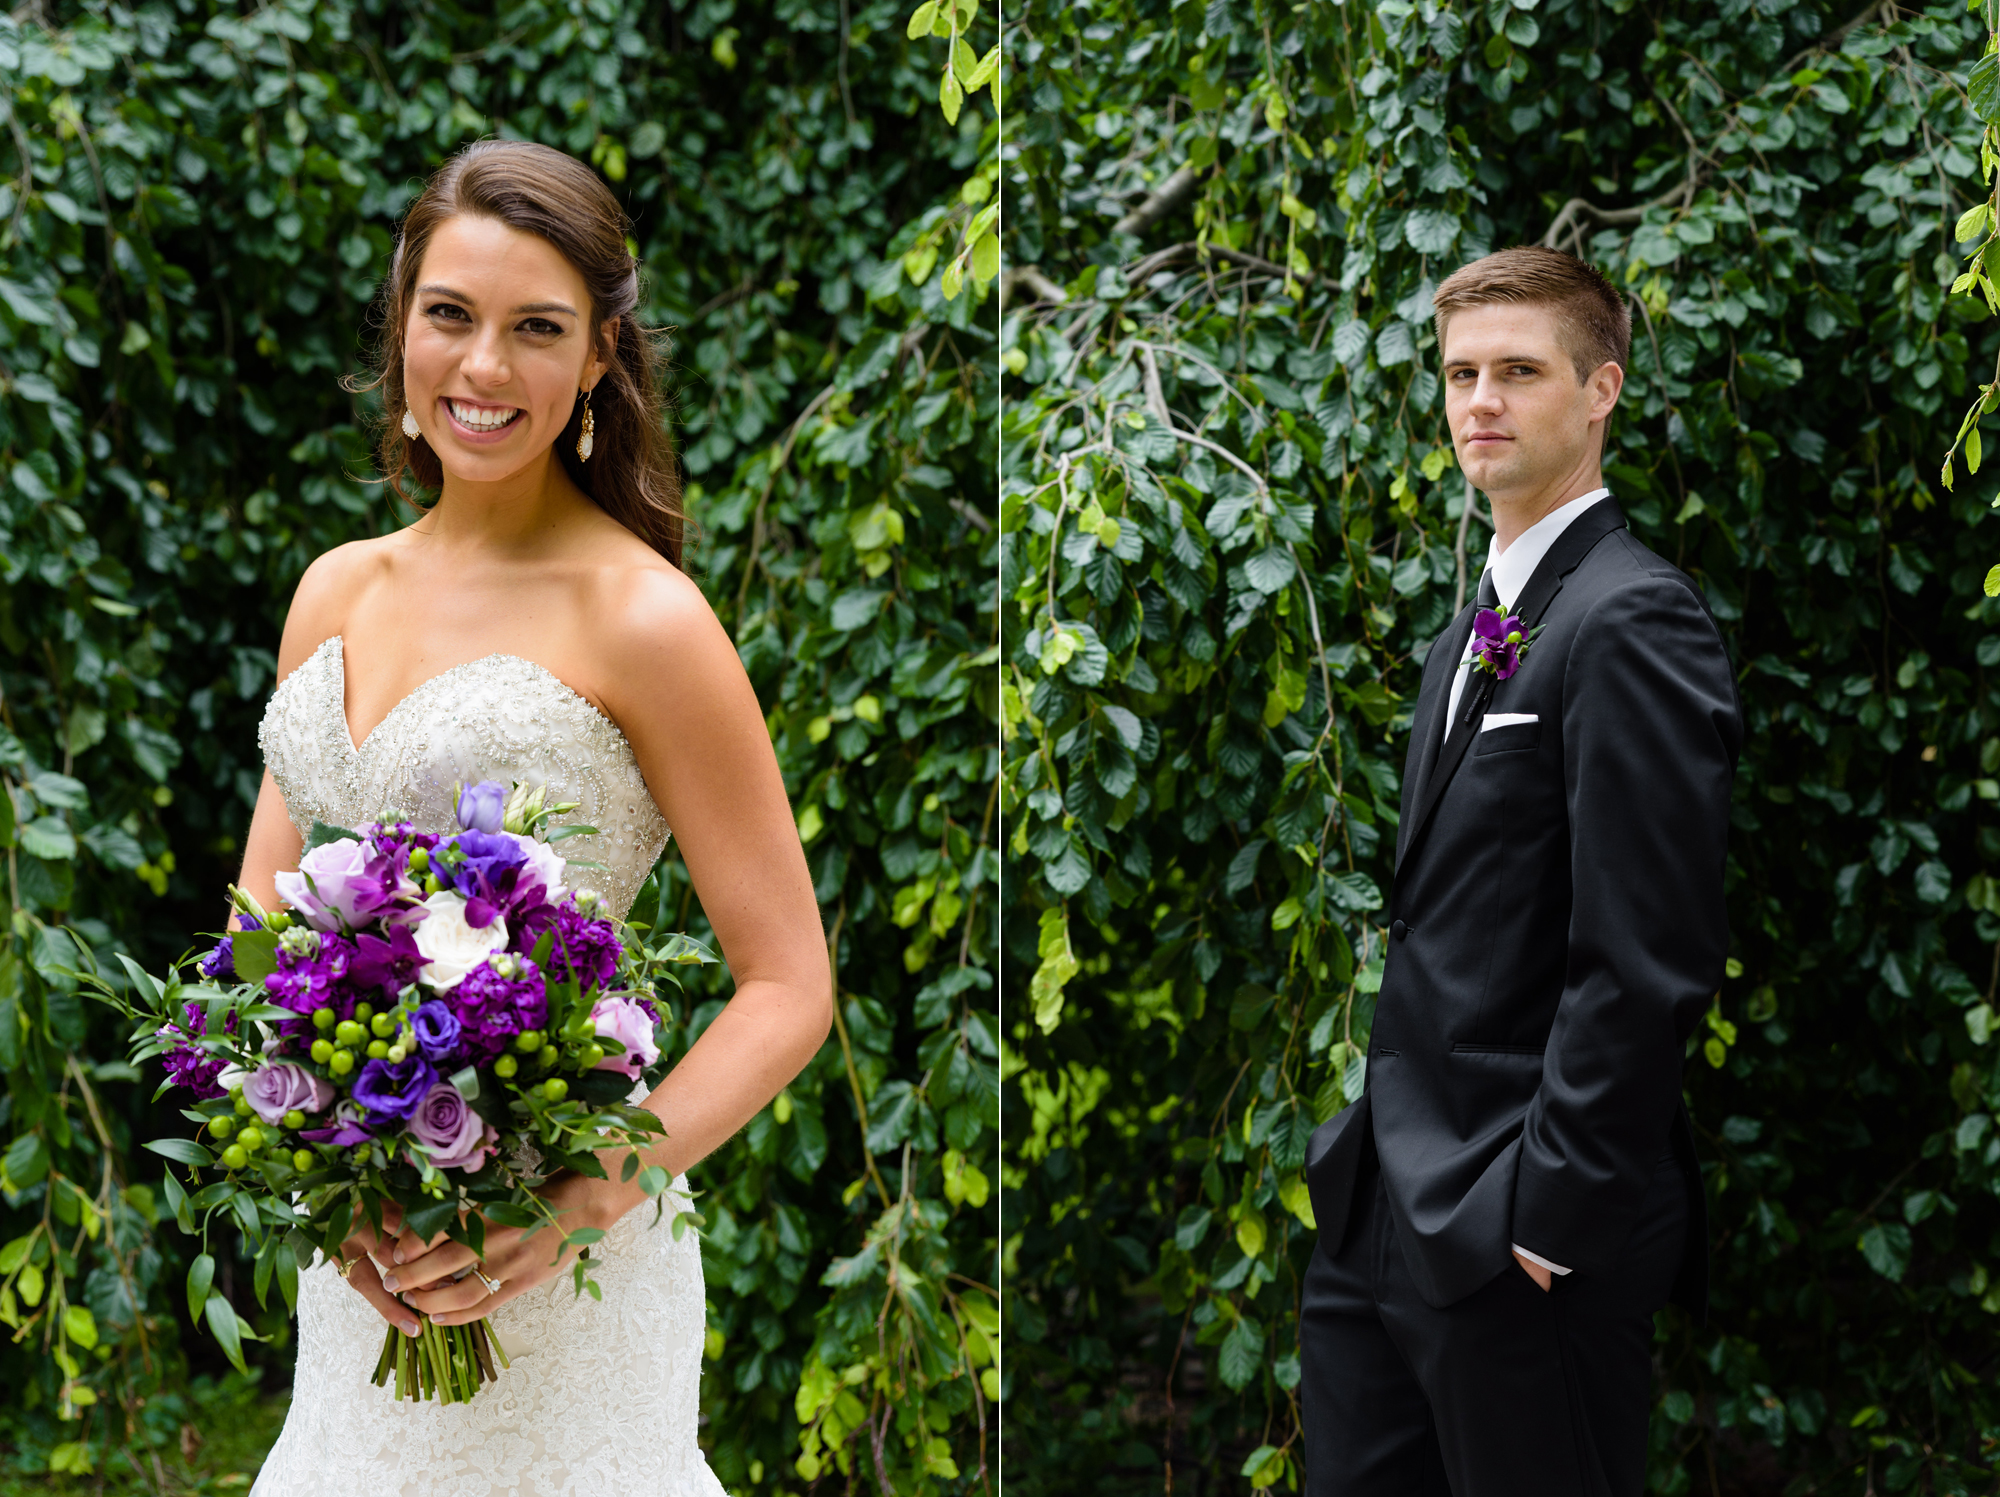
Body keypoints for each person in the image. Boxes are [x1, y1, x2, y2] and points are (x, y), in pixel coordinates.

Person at [243, 140, 831, 1496]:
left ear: (602, 356)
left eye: (537, 329)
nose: (484, 368)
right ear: (402, 326)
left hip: (569, 1266)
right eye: (450, 315)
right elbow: (258, 937)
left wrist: (583, 1201)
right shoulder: (332, 592)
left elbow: (788, 983)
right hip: (366, 1260)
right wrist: (336, 1181)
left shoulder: (646, 619)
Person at [1299, 246, 1742, 1497]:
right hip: (1384, 1208)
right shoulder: (1474, 631)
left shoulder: (1631, 617)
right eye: (1457, 373)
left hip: (1517, 1227)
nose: (1477, 401)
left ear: (1599, 389)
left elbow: (1644, 956)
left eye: (1516, 371)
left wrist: (1546, 1219)